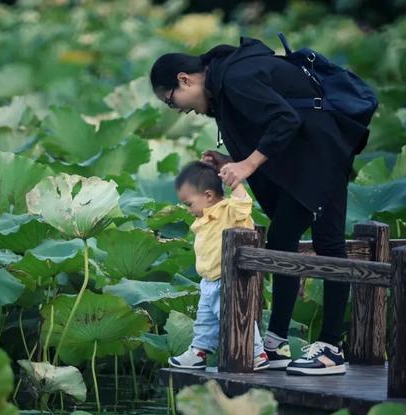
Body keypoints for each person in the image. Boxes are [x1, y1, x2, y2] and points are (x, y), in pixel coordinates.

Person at [151, 36, 372, 376]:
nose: (179, 109)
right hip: (303, 156)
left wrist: (247, 165)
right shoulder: (224, 84)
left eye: (172, 101)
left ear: (185, 79)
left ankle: (331, 348)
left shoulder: (236, 76)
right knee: (282, 240)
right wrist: (231, 159)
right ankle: (276, 344)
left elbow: (286, 120)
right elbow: (266, 124)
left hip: (323, 152)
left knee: (330, 244)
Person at [168, 161, 269, 371]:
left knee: (238, 319)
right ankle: (199, 352)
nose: (188, 210)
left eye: (189, 204)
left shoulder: (228, 210)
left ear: (208, 196)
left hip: (230, 280)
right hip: (209, 281)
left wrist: (235, 182)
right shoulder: (204, 216)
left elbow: (243, 203)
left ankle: (256, 352)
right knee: (204, 323)